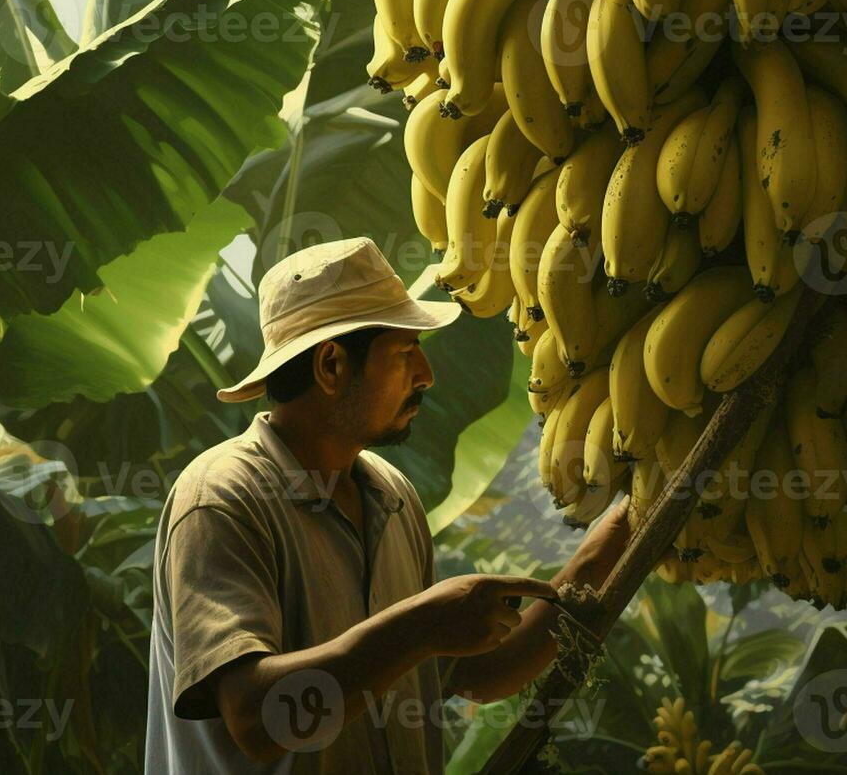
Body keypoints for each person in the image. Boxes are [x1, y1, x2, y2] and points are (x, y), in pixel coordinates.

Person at [145, 237, 630, 773]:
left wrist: (626, 526)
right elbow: (258, 721)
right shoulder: (222, 499)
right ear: (331, 366)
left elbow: (477, 672)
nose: (426, 375)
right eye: (404, 353)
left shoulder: (392, 497)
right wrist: (419, 626)